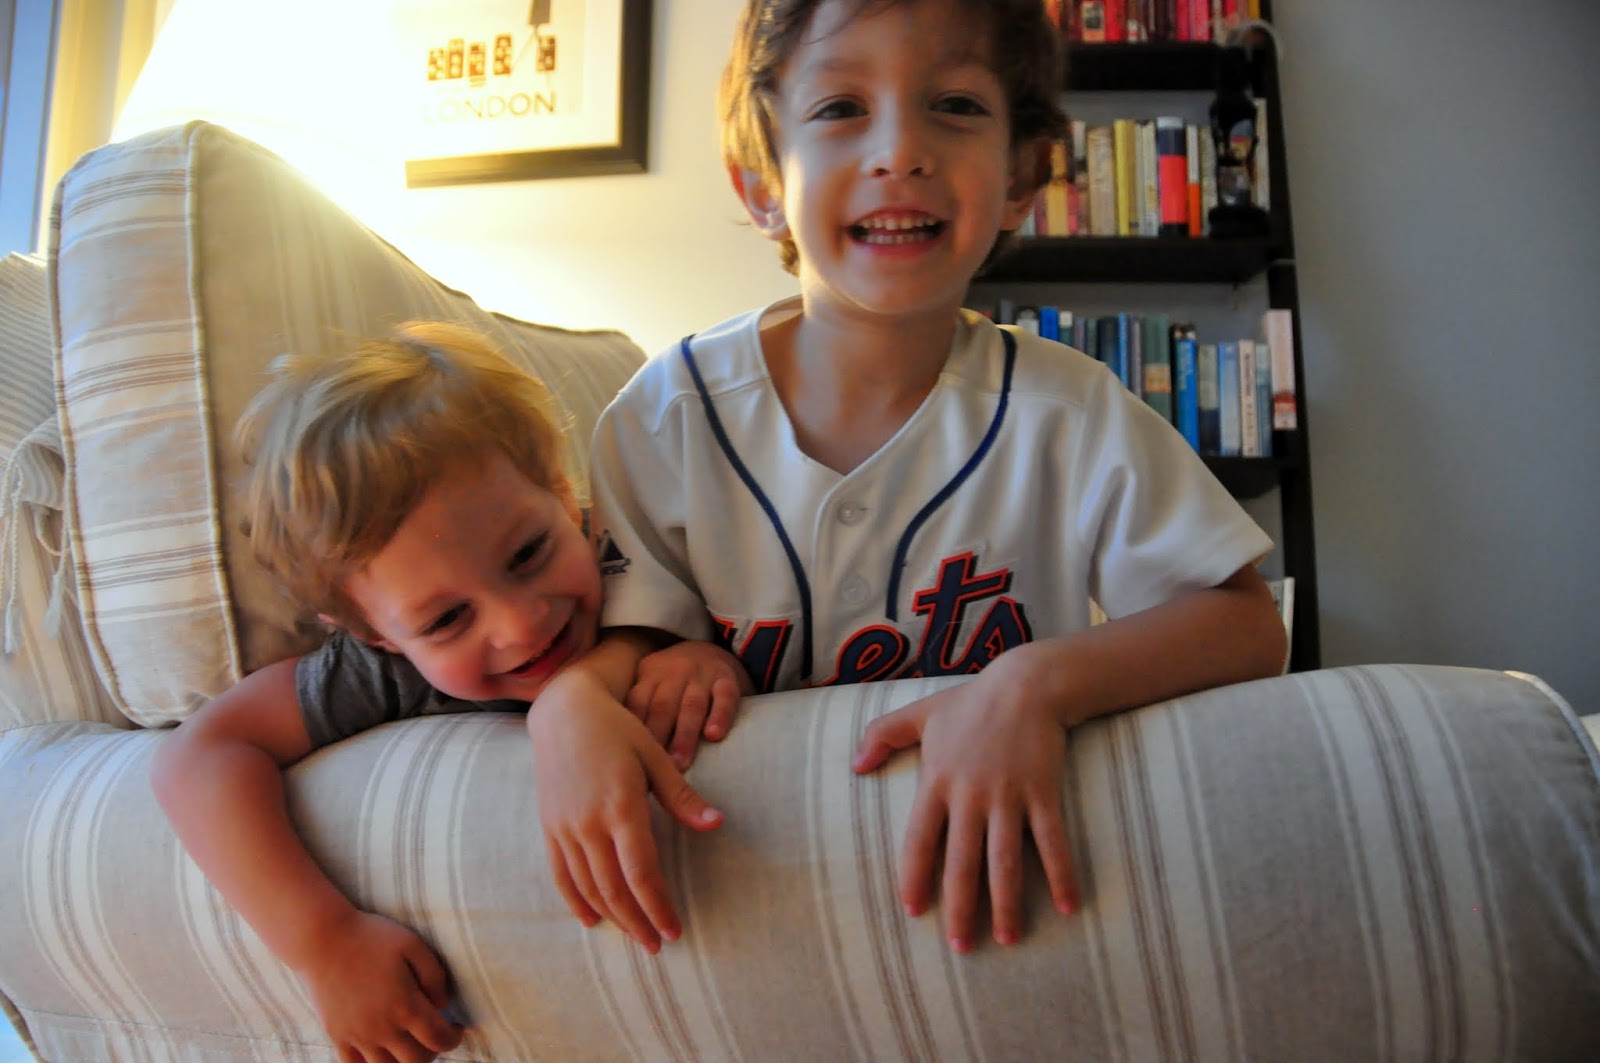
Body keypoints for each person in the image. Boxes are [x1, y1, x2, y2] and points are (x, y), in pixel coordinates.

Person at [530, 0, 1287, 959]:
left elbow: (1246, 623)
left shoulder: (1072, 409)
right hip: (758, 919)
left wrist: (1033, 685)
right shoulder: (662, 415)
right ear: (763, 184)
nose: (901, 151)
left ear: (1023, 178)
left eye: (957, 105)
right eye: (841, 107)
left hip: (996, 920)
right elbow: (628, 637)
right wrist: (570, 704)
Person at [149, 323, 748, 1063]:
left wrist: (704, 655)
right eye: (446, 620)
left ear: (563, 495)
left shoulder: (642, 553)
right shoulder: (383, 672)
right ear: (376, 636)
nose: (521, 623)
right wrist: (324, 941)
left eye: (528, 553)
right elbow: (198, 756)